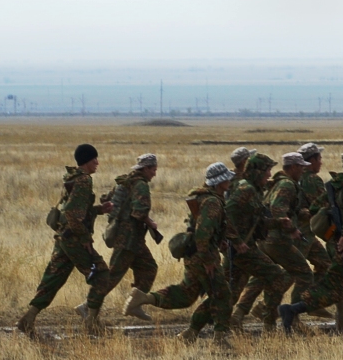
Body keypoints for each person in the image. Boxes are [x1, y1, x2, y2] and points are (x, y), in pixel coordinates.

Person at [123, 163, 238, 348]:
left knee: (186, 294)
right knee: (223, 295)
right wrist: (209, 260)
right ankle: (220, 339)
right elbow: (202, 234)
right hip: (203, 256)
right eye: (226, 178)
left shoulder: (205, 198)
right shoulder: (212, 202)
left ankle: (145, 299)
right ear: (219, 182)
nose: (229, 181)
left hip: (195, 255)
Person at [279, 150, 343, 341]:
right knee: (334, 289)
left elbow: (315, 208)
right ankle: (292, 309)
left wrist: (332, 218)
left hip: (334, 242)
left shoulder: (334, 185)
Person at [16, 143, 113, 336]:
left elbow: (75, 210)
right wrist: (85, 237)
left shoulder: (73, 177)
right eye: (94, 159)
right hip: (74, 239)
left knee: (53, 279)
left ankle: (28, 319)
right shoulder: (84, 181)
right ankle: (91, 322)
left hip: (64, 238)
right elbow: (71, 213)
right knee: (101, 275)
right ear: (86, 160)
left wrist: (98, 210)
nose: (97, 163)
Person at [77, 153, 160, 322]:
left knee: (149, 268)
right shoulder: (141, 185)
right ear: (144, 169)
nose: (154, 173)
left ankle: (134, 303)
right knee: (112, 275)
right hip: (128, 239)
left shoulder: (125, 182)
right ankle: (87, 306)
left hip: (131, 239)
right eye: (153, 169)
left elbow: (107, 199)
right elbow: (139, 211)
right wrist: (150, 222)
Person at [224, 153, 293, 333]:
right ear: (257, 172)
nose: (270, 175)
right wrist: (236, 241)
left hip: (244, 247)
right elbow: (226, 215)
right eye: (267, 170)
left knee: (228, 293)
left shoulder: (252, 190)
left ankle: (198, 329)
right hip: (241, 249)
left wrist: (279, 222)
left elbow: (258, 220)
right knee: (277, 276)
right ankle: (269, 323)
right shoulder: (245, 190)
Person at [260, 152, 316, 306]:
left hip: (267, 238)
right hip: (277, 239)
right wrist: (291, 229)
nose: (303, 170)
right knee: (304, 274)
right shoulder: (287, 184)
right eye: (300, 167)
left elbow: (290, 209)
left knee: (267, 278)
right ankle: (292, 314)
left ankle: (265, 316)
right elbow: (277, 208)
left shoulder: (280, 183)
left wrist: (309, 212)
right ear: (292, 167)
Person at [295, 143, 334, 289]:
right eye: (319, 158)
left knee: (324, 263)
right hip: (303, 230)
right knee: (292, 270)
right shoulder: (312, 179)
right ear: (311, 161)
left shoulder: (299, 177)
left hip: (304, 230)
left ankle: (312, 301)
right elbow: (321, 205)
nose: (321, 162)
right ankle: (265, 307)